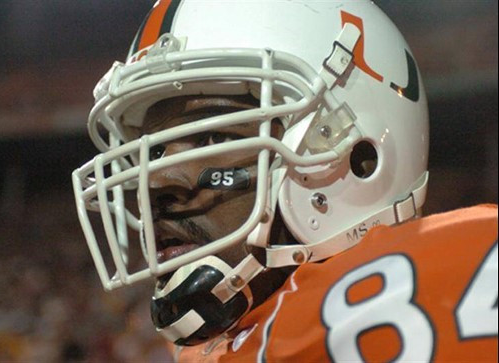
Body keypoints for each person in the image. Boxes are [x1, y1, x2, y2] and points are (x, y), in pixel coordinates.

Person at [72, 0, 498, 361]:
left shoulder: (458, 278)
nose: (157, 181)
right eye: (155, 150)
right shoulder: (214, 348)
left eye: (211, 135)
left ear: (358, 156)